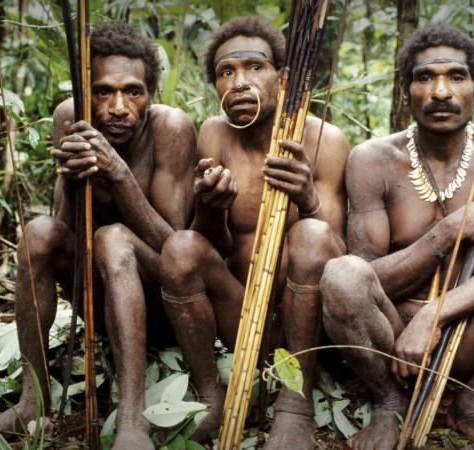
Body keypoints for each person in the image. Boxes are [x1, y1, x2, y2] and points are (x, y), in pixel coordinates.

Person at [319, 25, 474, 450]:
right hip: (392, 339)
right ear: (406, 89)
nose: (441, 91)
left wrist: (435, 314)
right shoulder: (374, 160)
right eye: (425, 77)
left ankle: (472, 406)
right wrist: (446, 232)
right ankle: (389, 404)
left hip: (470, 331)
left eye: (456, 76)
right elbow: (366, 276)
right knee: (342, 275)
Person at [0, 22, 196, 450]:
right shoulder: (70, 117)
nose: (119, 106)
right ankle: (34, 399)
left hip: (161, 302)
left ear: (151, 94)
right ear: (86, 91)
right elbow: (62, 233)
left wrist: (117, 173)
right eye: (103, 91)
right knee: (40, 231)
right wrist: (69, 179)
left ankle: (132, 420)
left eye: (133, 91)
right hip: (98, 299)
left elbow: (175, 250)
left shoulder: (170, 129)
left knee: (114, 237)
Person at [157, 16, 348, 449]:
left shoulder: (324, 140)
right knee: (181, 246)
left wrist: (308, 200)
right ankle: (211, 397)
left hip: (304, 324)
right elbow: (215, 247)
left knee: (311, 234)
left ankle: (294, 400)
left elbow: (338, 256)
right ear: (216, 86)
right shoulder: (213, 134)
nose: (240, 82)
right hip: (239, 316)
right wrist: (210, 210)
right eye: (227, 72)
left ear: (282, 79)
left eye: (253, 67)